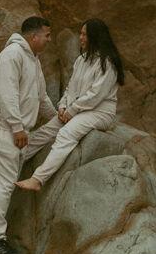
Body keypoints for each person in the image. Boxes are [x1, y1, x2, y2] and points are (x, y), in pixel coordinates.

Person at [0, 16, 55, 254]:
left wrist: (58, 117)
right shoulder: (12, 55)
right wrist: (17, 127)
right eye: (47, 35)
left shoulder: (33, 59)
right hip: (3, 128)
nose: (49, 40)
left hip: (7, 127)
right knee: (3, 185)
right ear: (33, 36)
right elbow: (7, 94)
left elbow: (41, 97)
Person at [15, 17, 124, 193]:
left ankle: (38, 179)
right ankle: (10, 161)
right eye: (81, 34)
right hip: (78, 110)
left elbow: (96, 95)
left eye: (84, 34)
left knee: (66, 133)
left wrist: (72, 110)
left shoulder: (108, 63)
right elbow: (70, 87)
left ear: (95, 36)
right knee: (46, 131)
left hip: (100, 113)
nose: (80, 37)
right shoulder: (82, 60)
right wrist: (63, 106)